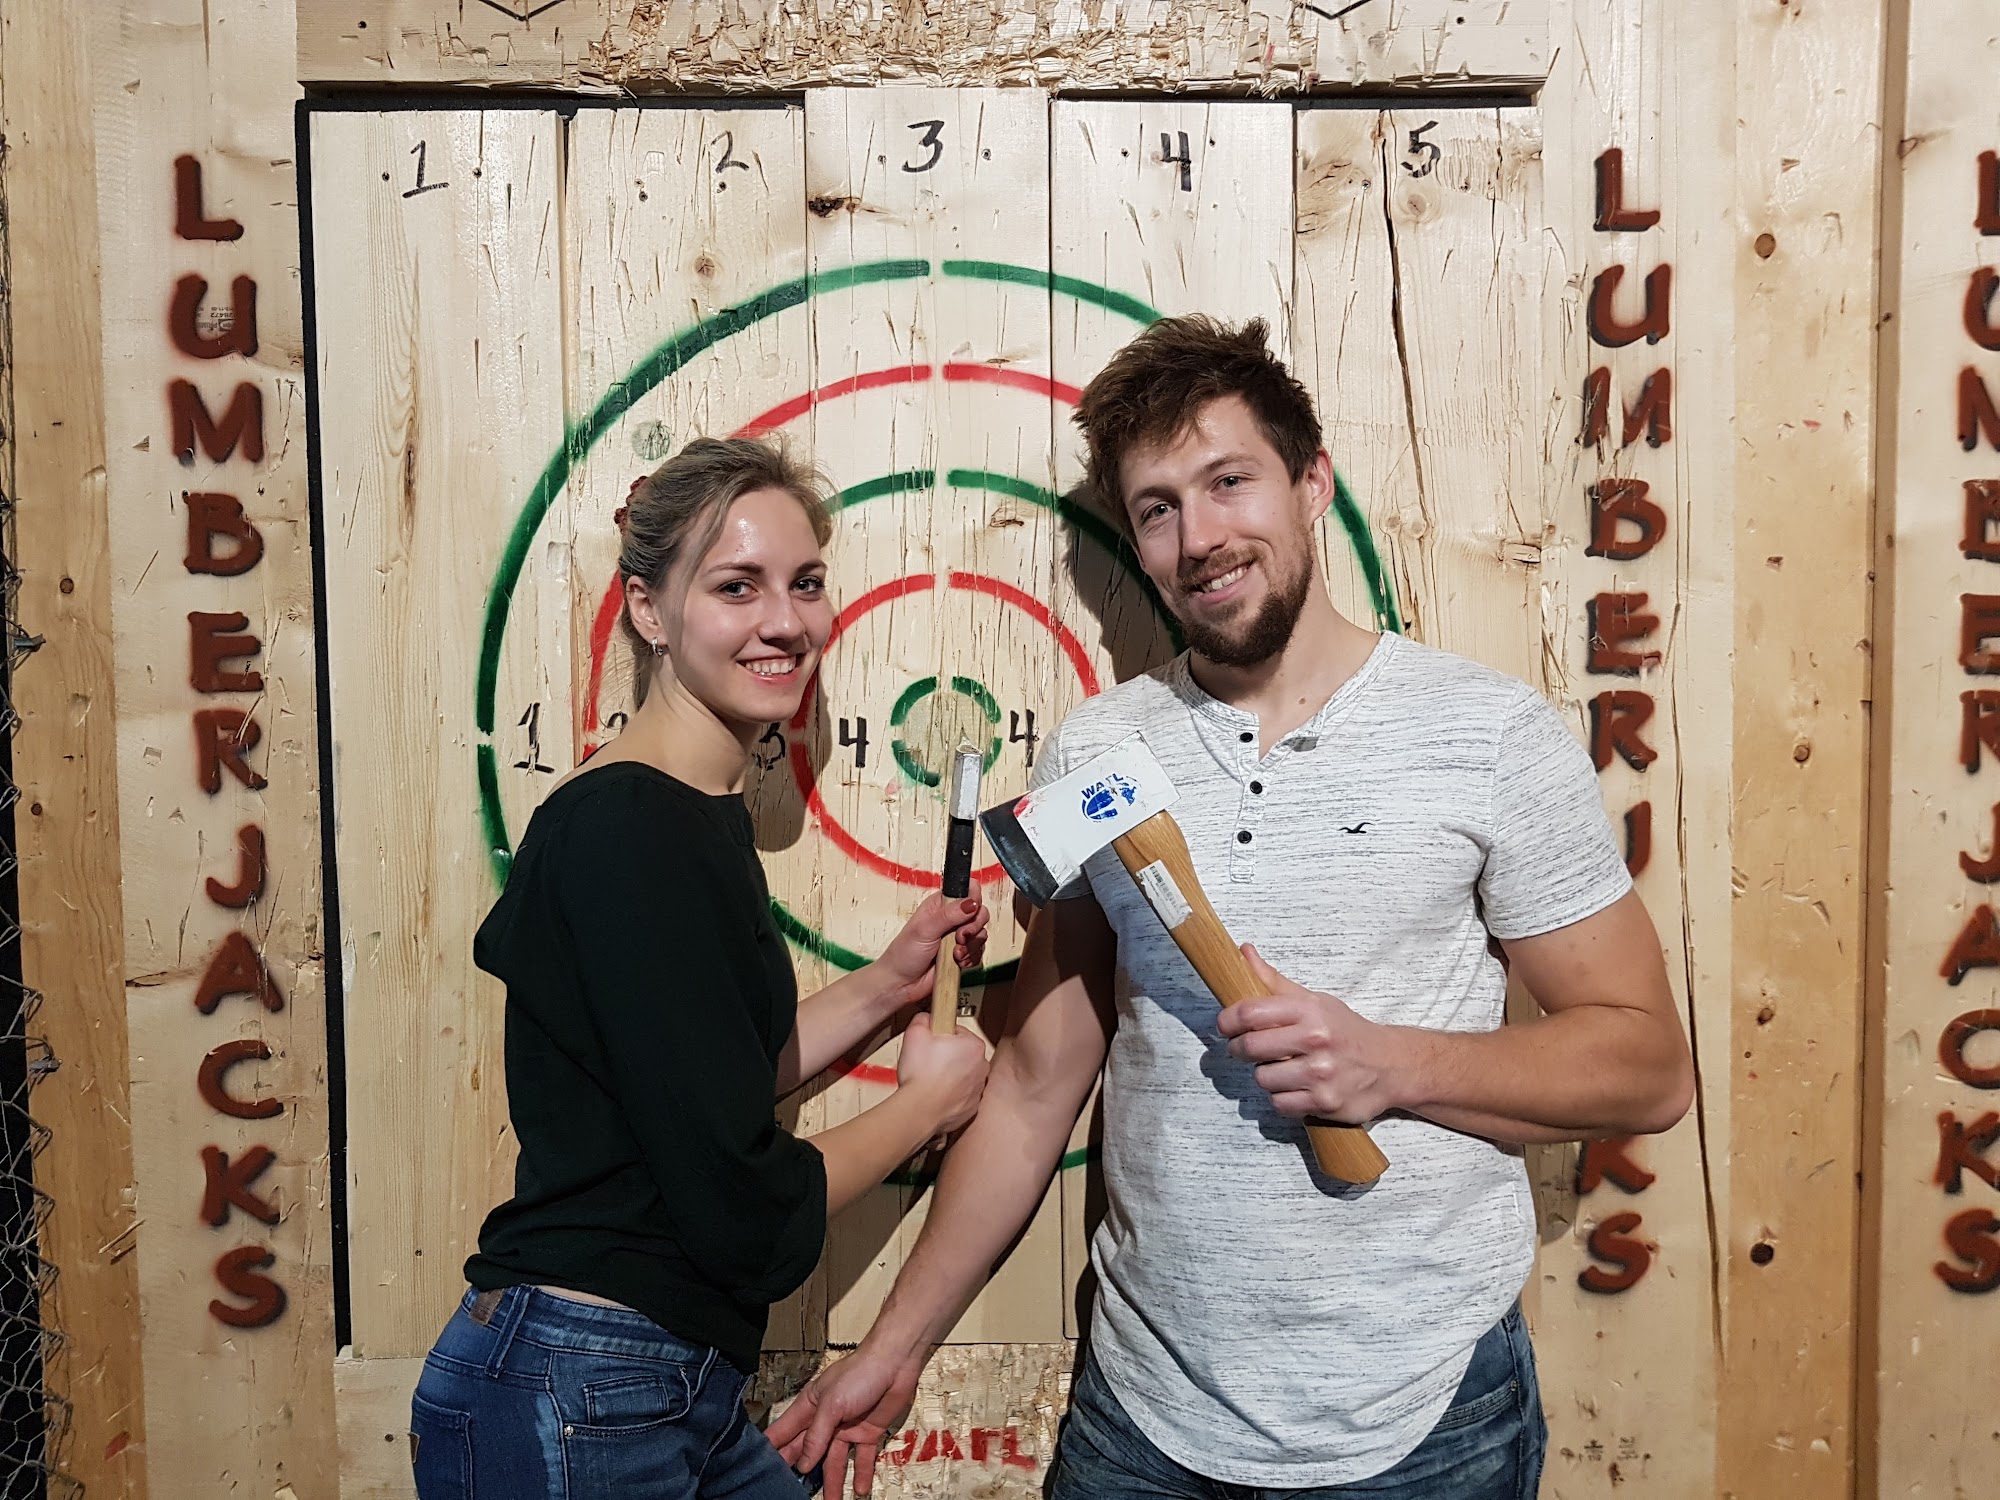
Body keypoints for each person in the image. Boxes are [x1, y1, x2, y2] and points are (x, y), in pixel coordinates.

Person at [767, 317, 1696, 1500]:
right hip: (1143, 1420)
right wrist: (895, 1351)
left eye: (1227, 482)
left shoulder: (1486, 736)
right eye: (1156, 508)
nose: (1198, 536)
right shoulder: (1102, 752)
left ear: (1310, 483)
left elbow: (1645, 1068)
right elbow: (1036, 1090)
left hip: (1423, 1422)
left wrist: (1389, 1065)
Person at [408, 437, 993, 1499]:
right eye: (736, 587)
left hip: (652, 1382)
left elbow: (712, 1082)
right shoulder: (634, 831)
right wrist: (926, 1108)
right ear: (648, 610)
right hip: (579, 1388)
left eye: (805, 583)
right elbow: (743, 1208)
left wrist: (890, 982)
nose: (786, 621)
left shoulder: (687, 814)